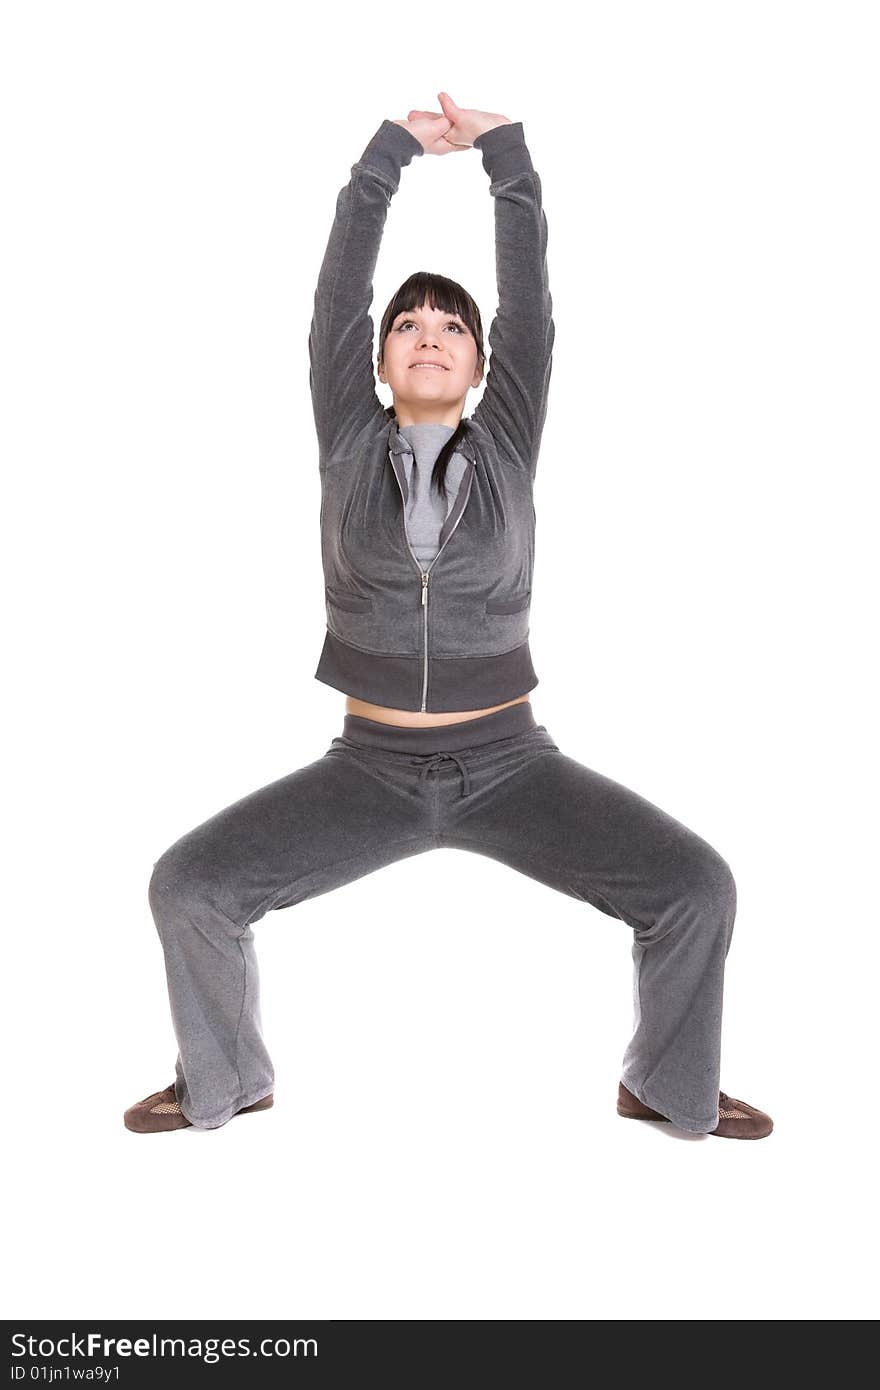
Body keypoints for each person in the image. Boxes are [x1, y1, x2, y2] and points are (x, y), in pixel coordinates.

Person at [125, 92, 772, 1140]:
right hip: (368, 770)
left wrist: (504, 159)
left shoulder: (508, 437)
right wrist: (385, 158)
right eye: (408, 326)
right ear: (378, 361)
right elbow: (337, 298)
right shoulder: (346, 434)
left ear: (478, 367)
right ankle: (226, 1075)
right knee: (189, 886)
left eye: (452, 326)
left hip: (513, 764)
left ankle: (665, 1080)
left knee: (695, 886)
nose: (429, 336)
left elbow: (534, 309)